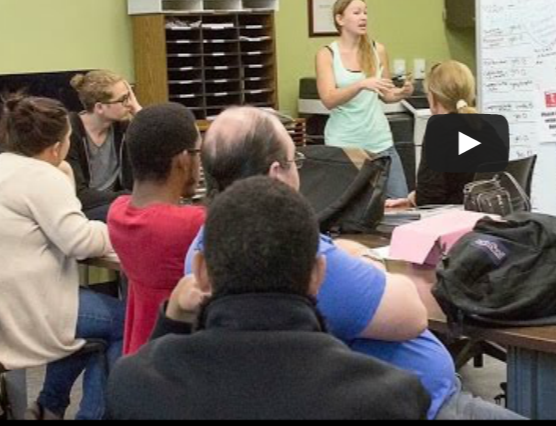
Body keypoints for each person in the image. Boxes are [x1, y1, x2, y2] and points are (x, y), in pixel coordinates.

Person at [183, 107, 523, 420]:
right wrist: (367, 260)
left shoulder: (203, 250)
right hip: (423, 409)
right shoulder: (293, 254)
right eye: (295, 160)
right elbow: (412, 314)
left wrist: (345, 252)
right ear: (276, 174)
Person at [106, 177, 432, 420]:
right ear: (318, 275)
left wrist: (171, 322)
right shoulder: (390, 397)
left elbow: (146, 368)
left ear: (201, 271)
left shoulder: (135, 387)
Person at [0, 96, 123, 421]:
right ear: (55, 147)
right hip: (27, 311)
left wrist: (61, 170)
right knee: (125, 321)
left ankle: (49, 408)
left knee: (90, 330)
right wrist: (122, 230)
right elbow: (80, 242)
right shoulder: (40, 177)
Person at [108, 103, 205, 356]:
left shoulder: (117, 213)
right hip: (176, 357)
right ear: (183, 159)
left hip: (140, 351)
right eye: (198, 152)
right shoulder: (190, 224)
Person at [315, 0, 414, 200]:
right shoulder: (326, 54)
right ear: (340, 19)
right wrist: (360, 84)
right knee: (347, 208)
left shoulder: (377, 50)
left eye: (366, 12)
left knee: (400, 202)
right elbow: (329, 99)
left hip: (380, 141)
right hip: (344, 144)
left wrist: (402, 93)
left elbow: (386, 94)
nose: (364, 18)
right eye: (357, 12)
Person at [387, 61, 478, 209]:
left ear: (433, 96)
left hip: (447, 219)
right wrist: (412, 199)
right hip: (477, 217)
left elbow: (430, 196)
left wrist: (412, 199)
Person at [67, 70, 143, 222]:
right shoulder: (69, 132)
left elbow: (164, 144)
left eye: (129, 96)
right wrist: (129, 197)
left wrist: (139, 112)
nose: (129, 103)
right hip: (84, 210)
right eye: (123, 99)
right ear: (100, 107)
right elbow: (79, 194)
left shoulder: (124, 128)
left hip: (118, 204)